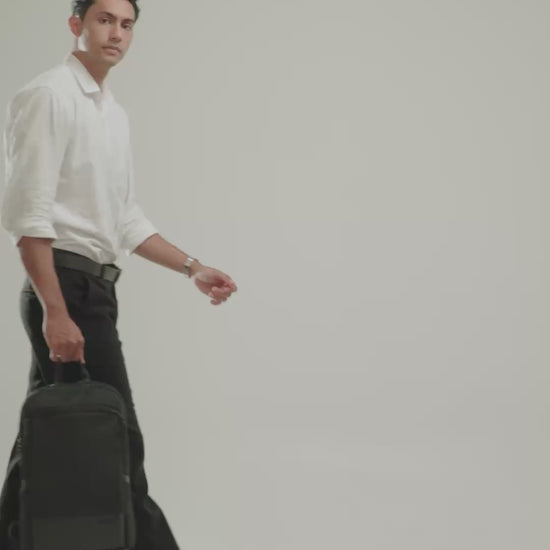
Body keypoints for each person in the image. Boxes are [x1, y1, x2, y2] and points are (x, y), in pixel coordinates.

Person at [0, 0, 238, 548]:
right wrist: (55, 312)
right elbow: (28, 218)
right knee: (120, 441)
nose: (117, 33)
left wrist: (193, 268)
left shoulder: (112, 113)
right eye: (104, 20)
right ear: (76, 25)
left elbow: (124, 219)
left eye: (127, 24)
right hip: (65, 288)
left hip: (95, 290)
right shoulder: (49, 96)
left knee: (38, 441)